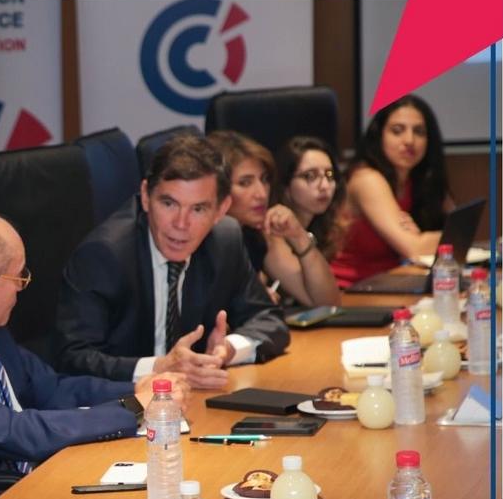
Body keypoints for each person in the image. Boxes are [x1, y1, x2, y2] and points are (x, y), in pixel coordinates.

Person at [0, 211, 186, 482]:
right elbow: (14, 432)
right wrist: (133, 408)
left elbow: (52, 389)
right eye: (19, 276)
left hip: (41, 473)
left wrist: (137, 389)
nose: (21, 287)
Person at [53, 133, 289, 388]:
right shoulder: (105, 254)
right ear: (146, 196)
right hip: (124, 402)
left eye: (198, 209)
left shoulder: (224, 240)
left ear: (221, 210)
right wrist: (159, 368)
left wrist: (228, 349)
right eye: (169, 203)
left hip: (191, 397)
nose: (181, 224)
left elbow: (268, 318)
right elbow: (72, 358)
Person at [205, 131, 341, 308]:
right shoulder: (199, 241)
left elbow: (328, 304)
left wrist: (299, 236)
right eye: (245, 183)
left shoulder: (257, 234)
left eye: (264, 179)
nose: (261, 194)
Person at [329, 94, 453, 286]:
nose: (409, 140)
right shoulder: (367, 179)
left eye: (419, 132)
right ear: (379, 136)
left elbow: (458, 225)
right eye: (397, 131)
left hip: (395, 282)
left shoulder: (422, 179)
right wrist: (427, 240)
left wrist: (426, 238)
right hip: (352, 290)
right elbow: (416, 248)